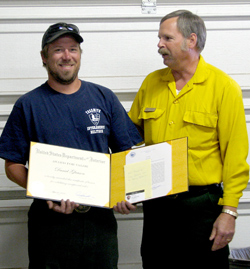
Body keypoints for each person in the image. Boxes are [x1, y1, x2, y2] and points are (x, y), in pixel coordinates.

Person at [0, 22, 142, 269]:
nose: (67, 56)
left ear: (79, 55)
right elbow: (12, 164)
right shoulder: (28, 104)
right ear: (44, 57)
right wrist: (46, 190)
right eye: (58, 49)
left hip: (100, 222)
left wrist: (125, 191)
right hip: (49, 221)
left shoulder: (104, 97)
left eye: (73, 49)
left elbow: (125, 155)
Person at [114, 10, 249, 269]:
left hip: (202, 207)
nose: (159, 45)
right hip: (158, 209)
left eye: (167, 38)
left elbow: (235, 156)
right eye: (159, 38)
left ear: (191, 40)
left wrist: (229, 212)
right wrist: (121, 185)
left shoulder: (223, 87)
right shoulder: (152, 83)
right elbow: (128, 140)